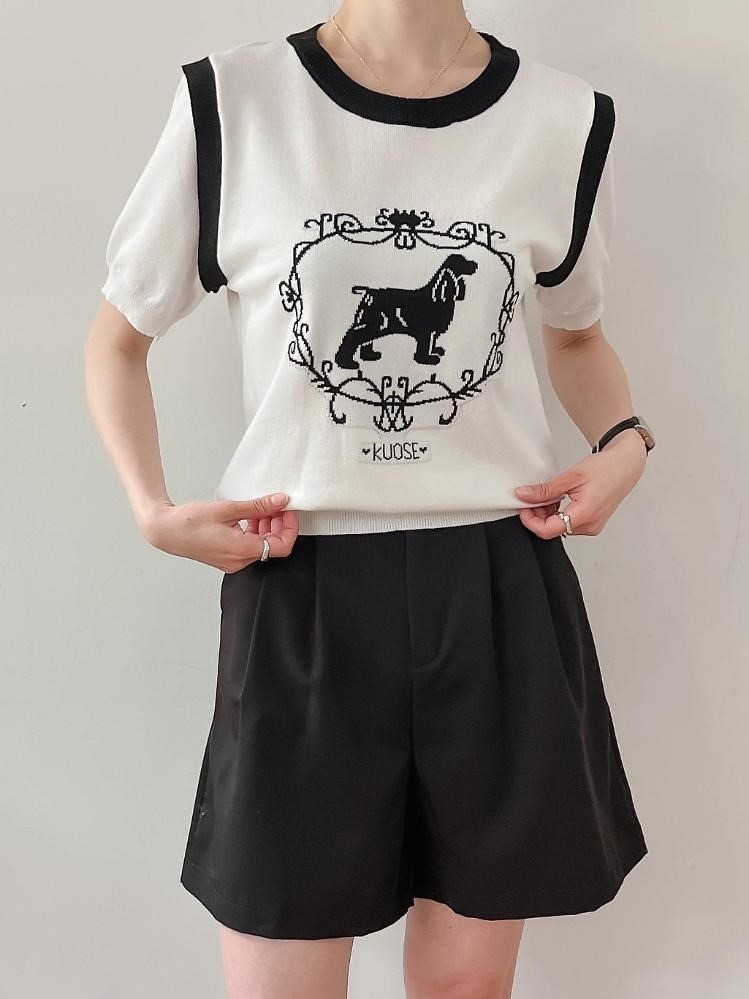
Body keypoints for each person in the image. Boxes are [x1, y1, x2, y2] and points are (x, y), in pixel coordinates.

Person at [84, 2, 652, 996]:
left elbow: (575, 335)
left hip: (498, 583)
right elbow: (118, 337)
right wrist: (150, 506)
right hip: (297, 580)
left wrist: (624, 444)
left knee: (466, 987)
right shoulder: (235, 102)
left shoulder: (561, 119)